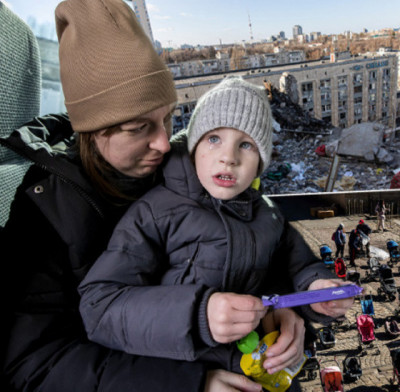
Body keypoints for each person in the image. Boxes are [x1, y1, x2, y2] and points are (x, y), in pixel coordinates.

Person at [0, 1, 305, 391]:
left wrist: (279, 307)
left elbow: (246, 243)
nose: (164, 142)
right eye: (138, 127)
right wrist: (189, 383)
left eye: (168, 118)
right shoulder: (45, 212)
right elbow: (33, 362)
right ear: (92, 131)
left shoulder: (194, 168)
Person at [77, 77, 352, 384]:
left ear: (261, 161)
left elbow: (299, 267)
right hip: (187, 376)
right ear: (193, 145)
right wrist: (196, 316)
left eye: (246, 145)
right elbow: (99, 308)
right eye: (213, 139)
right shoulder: (155, 212)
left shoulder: (269, 215)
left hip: (261, 374)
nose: (229, 157)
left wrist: (314, 295)